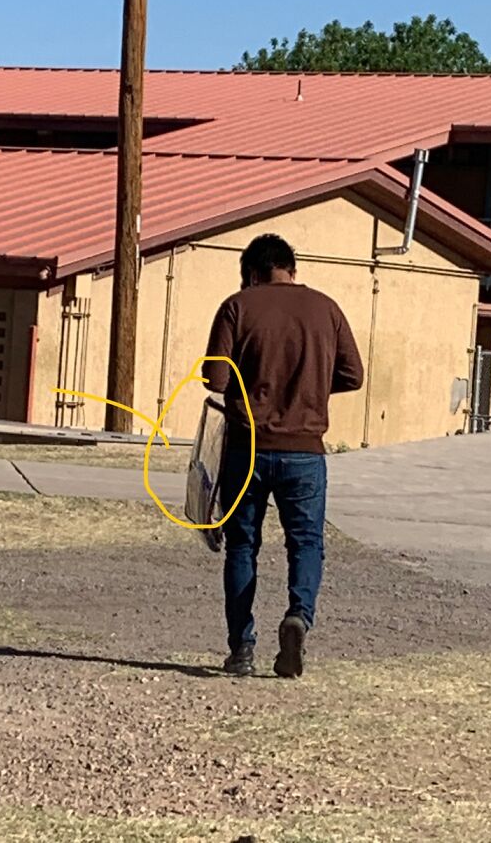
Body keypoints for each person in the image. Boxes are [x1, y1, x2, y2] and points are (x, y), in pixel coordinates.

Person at [202, 233, 364, 678]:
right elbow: (353, 375)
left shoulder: (237, 306)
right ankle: (299, 616)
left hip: (247, 448)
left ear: (253, 274)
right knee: (306, 543)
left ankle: (242, 648)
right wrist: (311, 386)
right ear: (291, 269)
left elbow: (215, 379)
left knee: (242, 546)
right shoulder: (327, 308)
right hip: (305, 451)